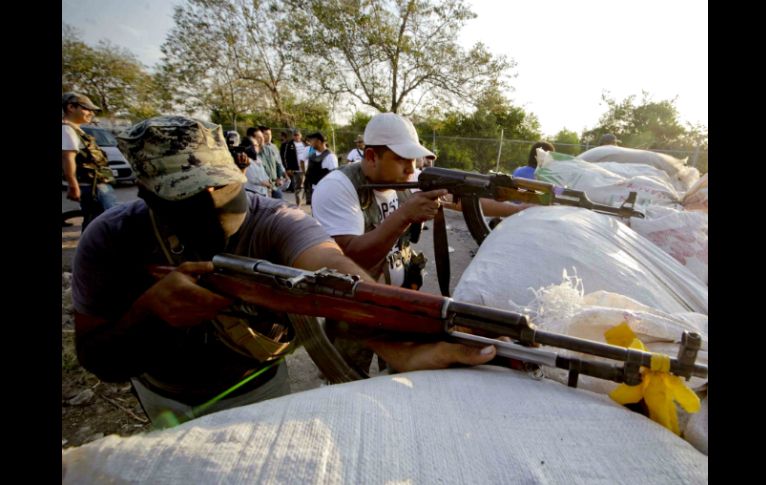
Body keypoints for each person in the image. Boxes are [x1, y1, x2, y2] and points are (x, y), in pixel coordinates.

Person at [71, 115, 497, 426]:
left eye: (224, 184)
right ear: (147, 193)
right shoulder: (110, 238)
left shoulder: (274, 219)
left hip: (260, 390)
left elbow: (335, 272)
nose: (214, 199)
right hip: (164, 396)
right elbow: (98, 357)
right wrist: (148, 313)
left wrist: (408, 338)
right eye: (188, 194)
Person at [311, 113, 447, 375]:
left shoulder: (406, 180)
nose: (411, 169)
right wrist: (404, 216)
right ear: (372, 156)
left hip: (398, 302)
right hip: (355, 311)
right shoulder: (338, 187)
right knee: (346, 379)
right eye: (401, 159)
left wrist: (519, 206)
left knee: (400, 378)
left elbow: (466, 200)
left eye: (413, 160)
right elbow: (351, 259)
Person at [61, 92, 119, 231]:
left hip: (96, 183)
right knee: (106, 221)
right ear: (71, 107)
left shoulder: (75, 130)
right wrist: (73, 185)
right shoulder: (67, 130)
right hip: (92, 186)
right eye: (87, 109)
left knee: (96, 221)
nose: (91, 113)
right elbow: (68, 158)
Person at [303, 132, 338, 206]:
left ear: (319, 142)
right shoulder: (312, 156)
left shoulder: (330, 157)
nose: (310, 143)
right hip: (314, 191)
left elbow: (334, 177)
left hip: (325, 192)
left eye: (312, 140)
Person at [258, 125, 287, 199]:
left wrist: (280, 176)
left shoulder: (274, 147)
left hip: (274, 183)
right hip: (263, 184)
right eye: (266, 134)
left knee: (279, 200)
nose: (269, 136)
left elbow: (278, 163)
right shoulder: (258, 148)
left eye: (270, 134)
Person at [280, 128, 306, 205]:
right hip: (296, 169)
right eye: (294, 135)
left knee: (306, 185)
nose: (296, 136)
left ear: (300, 135)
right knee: (298, 186)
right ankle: (298, 203)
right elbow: (286, 157)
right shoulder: (290, 144)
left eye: (297, 135)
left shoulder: (305, 144)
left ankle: (308, 200)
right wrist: (288, 168)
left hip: (306, 168)